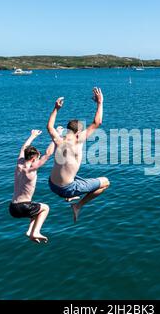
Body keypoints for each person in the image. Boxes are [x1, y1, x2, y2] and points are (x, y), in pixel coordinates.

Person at [47, 88, 110, 223]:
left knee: (69, 169)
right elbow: (97, 122)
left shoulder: (58, 140)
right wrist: (100, 103)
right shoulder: (78, 141)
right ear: (78, 133)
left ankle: (69, 197)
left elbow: (50, 127)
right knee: (105, 182)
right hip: (66, 189)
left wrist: (56, 109)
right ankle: (77, 206)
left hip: (52, 184)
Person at [10, 130, 55, 243]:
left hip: (12, 208)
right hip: (23, 206)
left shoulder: (19, 163)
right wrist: (56, 137)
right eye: (38, 157)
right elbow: (48, 154)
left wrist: (32, 136)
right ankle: (36, 232)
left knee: (36, 209)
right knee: (45, 208)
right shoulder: (32, 168)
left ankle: (30, 231)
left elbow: (23, 148)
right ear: (34, 159)